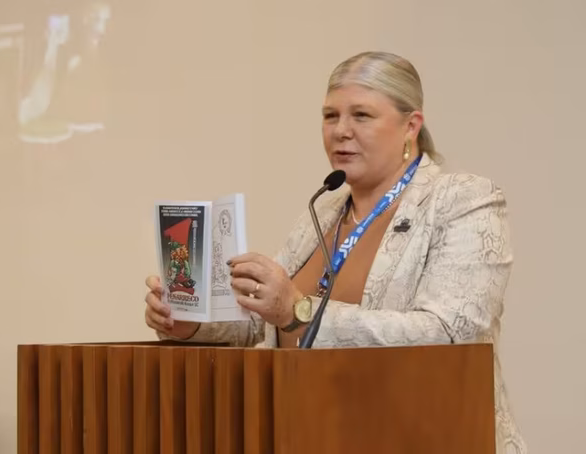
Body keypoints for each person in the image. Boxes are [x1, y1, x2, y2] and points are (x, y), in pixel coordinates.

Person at [143, 51, 527, 454]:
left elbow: (449, 335)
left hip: (425, 438)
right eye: (330, 116)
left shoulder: (464, 200)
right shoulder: (324, 209)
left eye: (361, 115)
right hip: (316, 435)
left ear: (411, 126)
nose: (341, 131)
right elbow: (267, 324)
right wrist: (191, 323)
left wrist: (298, 312)